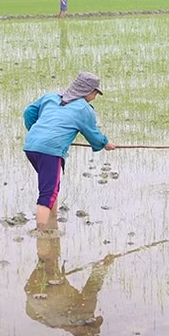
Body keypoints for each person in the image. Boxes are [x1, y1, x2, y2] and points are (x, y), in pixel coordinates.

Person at [23, 72, 116, 231]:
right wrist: (106, 143)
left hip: (31, 146)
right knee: (47, 193)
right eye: (95, 93)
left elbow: (29, 113)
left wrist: (38, 131)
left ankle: (52, 221)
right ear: (88, 92)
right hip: (50, 151)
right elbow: (93, 134)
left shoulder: (50, 98)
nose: (94, 96)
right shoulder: (84, 109)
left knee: (51, 186)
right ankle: (42, 234)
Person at [24, 235, 113, 336]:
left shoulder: (85, 316)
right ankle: (45, 231)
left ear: (90, 324)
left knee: (49, 258)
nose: (93, 316)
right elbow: (30, 313)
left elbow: (91, 290)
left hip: (50, 295)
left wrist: (103, 266)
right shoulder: (56, 325)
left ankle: (46, 230)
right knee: (44, 262)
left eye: (94, 320)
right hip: (32, 294)